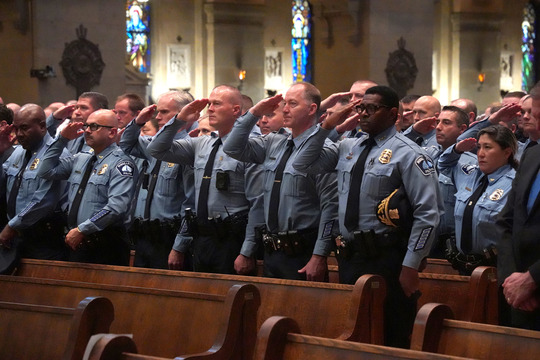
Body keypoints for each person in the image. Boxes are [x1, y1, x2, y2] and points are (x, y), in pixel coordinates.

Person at [292, 85, 441, 348]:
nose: (363, 113)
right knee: (354, 335)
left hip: (387, 258)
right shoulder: (347, 147)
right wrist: (326, 126)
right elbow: (301, 162)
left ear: (393, 113)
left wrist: (410, 264)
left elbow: (428, 214)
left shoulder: (409, 153)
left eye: (371, 108)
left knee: (390, 336)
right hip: (350, 257)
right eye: (361, 107)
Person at [224, 82, 338, 281]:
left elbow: (330, 207)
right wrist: (255, 112)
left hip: (302, 251)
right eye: (284, 103)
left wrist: (319, 255)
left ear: (312, 109)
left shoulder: (323, 151)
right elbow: (232, 148)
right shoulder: (273, 143)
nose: (285, 109)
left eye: (292, 104)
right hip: (271, 250)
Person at [147, 85, 264, 275]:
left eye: (216, 104)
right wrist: (179, 120)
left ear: (236, 110)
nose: (209, 109)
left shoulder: (250, 147)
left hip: (232, 239)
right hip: (202, 237)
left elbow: (258, 203)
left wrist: (247, 250)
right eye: (209, 104)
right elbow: (156, 149)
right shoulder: (201, 143)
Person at [37, 109, 137, 265]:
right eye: (86, 126)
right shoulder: (81, 158)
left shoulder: (121, 164)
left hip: (106, 244)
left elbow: (116, 207)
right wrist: (62, 139)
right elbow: (45, 171)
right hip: (78, 242)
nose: (87, 130)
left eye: (94, 126)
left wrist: (83, 229)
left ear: (112, 133)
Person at [120, 90, 195, 269]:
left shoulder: (189, 149)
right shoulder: (153, 145)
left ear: (182, 114)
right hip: (144, 236)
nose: (158, 117)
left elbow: (190, 203)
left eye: (164, 112)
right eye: (157, 111)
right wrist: (138, 122)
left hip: (168, 237)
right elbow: (126, 144)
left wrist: (179, 246)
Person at [439, 125, 516, 274]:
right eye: (479, 147)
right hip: (463, 265)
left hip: (496, 267)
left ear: (507, 152)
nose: (480, 153)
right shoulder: (470, 174)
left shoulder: (515, 183)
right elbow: (443, 165)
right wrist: (456, 149)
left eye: (488, 147)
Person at [0, 104, 70, 260]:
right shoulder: (18, 152)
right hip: (17, 236)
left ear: (42, 126)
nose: (19, 134)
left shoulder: (57, 155)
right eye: (16, 128)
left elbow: (44, 200)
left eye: (24, 128)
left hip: (44, 238)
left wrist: (12, 225)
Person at [497, 83, 540, 331]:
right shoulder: (532, 154)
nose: (528, 114)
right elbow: (506, 221)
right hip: (521, 298)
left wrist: (533, 278)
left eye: (533, 107)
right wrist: (512, 280)